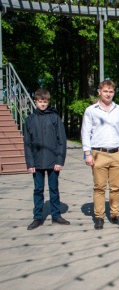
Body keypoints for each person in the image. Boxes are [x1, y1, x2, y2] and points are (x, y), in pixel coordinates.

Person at [81, 80, 119, 230]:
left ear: (114, 93)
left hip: (117, 153)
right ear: (99, 92)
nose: (108, 94)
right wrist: (87, 153)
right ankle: (99, 216)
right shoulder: (91, 110)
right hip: (99, 153)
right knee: (99, 187)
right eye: (105, 91)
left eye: (111, 92)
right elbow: (85, 132)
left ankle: (115, 214)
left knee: (116, 187)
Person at [24, 88, 69, 230]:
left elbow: (61, 140)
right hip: (36, 162)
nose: (42, 104)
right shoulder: (30, 119)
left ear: (48, 102)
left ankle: (56, 215)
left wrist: (59, 160)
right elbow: (27, 143)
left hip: (53, 161)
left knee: (54, 188)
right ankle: (38, 217)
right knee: (38, 189)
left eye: (45, 101)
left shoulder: (54, 117)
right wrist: (30, 163)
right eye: (40, 101)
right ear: (35, 102)